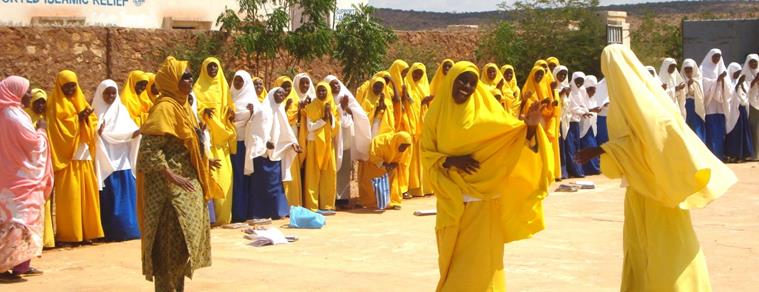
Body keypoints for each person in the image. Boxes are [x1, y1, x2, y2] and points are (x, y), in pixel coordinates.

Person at [577, 44, 737, 292]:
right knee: (641, 248)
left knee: (664, 249)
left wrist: (602, 150)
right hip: (640, 192)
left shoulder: (651, 108)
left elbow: (652, 139)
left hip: (659, 194)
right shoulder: (631, 103)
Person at [422, 61, 551, 291]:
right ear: (450, 80)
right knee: (452, 265)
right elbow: (427, 154)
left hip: (484, 205)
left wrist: (530, 127)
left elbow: (514, 137)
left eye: (472, 83)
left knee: (482, 270)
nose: (466, 86)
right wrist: (450, 160)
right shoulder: (435, 116)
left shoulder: (488, 115)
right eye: (462, 80)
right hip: (451, 204)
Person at [138, 56, 220, 291]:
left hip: (185, 189)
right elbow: (148, 151)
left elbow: (187, 144)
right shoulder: (164, 108)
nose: (190, 79)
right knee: (167, 253)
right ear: (172, 80)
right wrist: (171, 176)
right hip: (168, 197)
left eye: (190, 74)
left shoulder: (182, 105)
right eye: (185, 76)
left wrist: (205, 159)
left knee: (180, 253)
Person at [0, 76, 53, 283]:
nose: (30, 95)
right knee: (19, 222)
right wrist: (42, 130)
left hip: (10, 180)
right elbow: (32, 145)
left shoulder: (7, 114)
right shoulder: (13, 116)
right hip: (20, 181)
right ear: (16, 92)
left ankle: (20, 264)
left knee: (13, 221)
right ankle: (5, 267)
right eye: (26, 91)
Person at [47, 70, 104, 244]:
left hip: (84, 155)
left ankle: (88, 233)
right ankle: (70, 235)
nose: (71, 89)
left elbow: (93, 122)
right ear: (60, 86)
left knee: (87, 196)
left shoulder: (81, 101)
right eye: (67, 86)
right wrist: (77, 119)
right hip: (67, 158)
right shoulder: (54, 104)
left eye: (73, 85)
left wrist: (90, 122)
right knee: (71, 198)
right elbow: (57, 130)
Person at [92, 80, 141, 241]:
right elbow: (92, 134)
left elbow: (132, 131)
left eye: (113, 93)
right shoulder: (95, 113)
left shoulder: (122, 111)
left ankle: (129, 231)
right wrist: (97, 132)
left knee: (126, 199)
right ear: (101, 94)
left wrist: (136, 133)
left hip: (123, 161)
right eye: (107, 93)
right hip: (106, 162)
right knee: (110, 198)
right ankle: (111, 233)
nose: (111, 96)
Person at [194, 57, 236, 225]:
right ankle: (211, 219)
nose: (213, 69)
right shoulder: (197, 88)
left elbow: (229, 107)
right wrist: (203, 112)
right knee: (210, 176)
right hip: (208, 139)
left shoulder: (223, 86)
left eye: (215, 66)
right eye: (210, 67)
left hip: (222, 141)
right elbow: (193, 108)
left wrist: (230, 114)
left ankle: (224, 217)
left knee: (225, 178)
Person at [251, 87, 302, 219]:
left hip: (276, 153)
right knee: (263, 185)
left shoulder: (280, 111)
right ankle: (262, 212)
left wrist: (293, 144)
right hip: (263, 154)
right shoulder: (262, 111)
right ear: (272, 94)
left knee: (276, 185)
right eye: (278, 93)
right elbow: (255, 132)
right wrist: (265, 142)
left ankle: (278, 211)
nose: (281, 95)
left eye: (283, 94)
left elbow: (286, 131)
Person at [325, 75, 371, 206]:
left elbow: (357, 114)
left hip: (346, 137)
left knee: (345, 167)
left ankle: (343, 198)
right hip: (333, 138)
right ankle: (331, 197)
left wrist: (345, 107)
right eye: (333, 85)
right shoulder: (326, 99)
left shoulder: (346, 97)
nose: (336, 86)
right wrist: (340, 108)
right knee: (333, 168)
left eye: (337, 84)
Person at [229, 70, 266, 223]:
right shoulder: (228, 98)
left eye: (241, 81)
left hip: (247, 144)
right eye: (236, 81)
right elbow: (226, 119)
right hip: (231, 143)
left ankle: (247, 212)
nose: (238, 84)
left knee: (247, 179)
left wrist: (250, 114)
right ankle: (237, 213)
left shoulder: (253, 101)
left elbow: (260, 120)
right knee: (236, 179)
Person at [358, 77, 399, 208]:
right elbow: (363, 119)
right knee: (369, 168)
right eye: (375, 86)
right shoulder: (367, 100)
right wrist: (376, 109)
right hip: (370, 134)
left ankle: (388, 199)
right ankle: (369, 199)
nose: (378, 89)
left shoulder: (387, 100)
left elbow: (391, 117)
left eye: (380, 87)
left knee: (386, 167)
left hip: (384, 136)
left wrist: (383, 107)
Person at [23, 88, 54, 248]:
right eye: (38, 102)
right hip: (30, 169)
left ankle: (46, 239)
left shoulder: (45, 117)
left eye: (43, 102)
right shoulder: (25, 118)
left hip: (44, 167)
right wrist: (39, 129)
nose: (41, 105)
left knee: (45, 202)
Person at [304, 82, 340, 212]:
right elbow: (310, 127)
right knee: (312, 175)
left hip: (327, 145)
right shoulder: (311, 107)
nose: (321, 94)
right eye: (319, 91)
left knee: (328, 174)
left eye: (324, 91)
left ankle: (328, 205)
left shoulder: (333, 107)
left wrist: (329, 114)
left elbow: (334, 127)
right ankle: (312, 206)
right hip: (314, 143)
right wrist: (323, 119)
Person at [360, 131, 412, 209]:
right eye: (403, 146)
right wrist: (384, 164)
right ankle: (372, 203)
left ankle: (392, 202)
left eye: (406, 146)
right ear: (398, 141)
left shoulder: (404, 147)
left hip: (389, 166)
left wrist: (394, 164)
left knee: (393, 181)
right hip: (373, 165)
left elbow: (399, 160)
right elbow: (373, 155)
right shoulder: (380, 142)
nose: (404, 148)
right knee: (372, 186)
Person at [275, 75, 306, 207]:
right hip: (280, 140)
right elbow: (278, 120)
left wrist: (299, 109)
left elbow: (299, 121)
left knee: (292, 169)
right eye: (284, 87)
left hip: (293, 137)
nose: (287, 89)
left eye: (288, 86)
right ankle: (283, 204)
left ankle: (294, 202)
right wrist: (286, 108)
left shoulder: (296, 101)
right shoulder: (275, 102)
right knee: (282, 169)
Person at [403, 63, 431, 198]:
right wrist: (421, 103)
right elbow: (408, 102)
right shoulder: (406, 85)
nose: (417, 76)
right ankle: (408, 188)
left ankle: (423, 188)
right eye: (416, 73)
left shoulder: (425, 86)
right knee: (411, 159)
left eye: (420, 73)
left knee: (422, 158)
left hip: (423, 125)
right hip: (410, 125)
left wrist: (426, 102)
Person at [700, 49, 729, 160]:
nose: (717, 59)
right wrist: (717, 80)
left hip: (720, 105)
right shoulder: (703, 69)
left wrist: (723, 81)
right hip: (710, 105)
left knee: (720, 131)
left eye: (718, 57)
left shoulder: (722, 68)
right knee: (711, 130)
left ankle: (720, 154)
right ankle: (712, 155)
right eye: (715, 56)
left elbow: (729, 87)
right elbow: (703, 84)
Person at [724, 62, 754, 162]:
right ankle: (733, 155)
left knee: (743, 132)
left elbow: (745, 95)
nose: (738, 74)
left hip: (741, 110)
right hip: (733, 112)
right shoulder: (728, 81)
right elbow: (729, 95)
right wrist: (737, 84)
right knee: (734, 133)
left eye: (739, 72)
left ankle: (743, 155)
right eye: (736, 72)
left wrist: (740, 84)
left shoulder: (741, 81)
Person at [565, 71, 587, 178]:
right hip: (569, 122)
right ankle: (574, 170)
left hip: (576, 122)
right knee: (570, 147)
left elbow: (583, 105)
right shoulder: (570, 91)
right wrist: (583, 112)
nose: (579, 83)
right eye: (577, 80)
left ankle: (578, 170)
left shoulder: (580, 91)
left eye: (581, 81)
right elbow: (572, 107)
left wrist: (585, 111)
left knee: (577, 147)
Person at [579, 75, 601, 175]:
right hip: (583, 127)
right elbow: (580, 109)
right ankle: (592, 168)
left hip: (591, 127)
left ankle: (593, 168)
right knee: (589, 146)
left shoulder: (593, 98)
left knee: (592, 146)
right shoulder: (580, 96)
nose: (593, 92)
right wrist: (593, 110)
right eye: (591, 89)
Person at [681, 59, 707, 142]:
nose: (688, 72)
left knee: (697, 128)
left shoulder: (698, 80)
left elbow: (700, 94)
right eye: (686, 69)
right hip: (685, 106)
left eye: (690, 69)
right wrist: (687, 85)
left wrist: (692, 85)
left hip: (696, 107)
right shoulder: (680, 79)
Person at [553, 65, 571, 179]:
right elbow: (552, 101)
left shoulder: (566, 87)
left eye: (564, 75)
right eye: (560, 74)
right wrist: (560, 93)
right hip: (555, 120)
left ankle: (563, 171)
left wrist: (567, 94)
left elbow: (567, 104)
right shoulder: (552, 85)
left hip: (563, 120)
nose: (562, 77)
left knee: (562, 147)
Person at [743, 54, 759, 160]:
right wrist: (755, 80)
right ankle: (754, 154)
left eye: (755, 62)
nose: (753, 64)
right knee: (753, 129)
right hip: (751, 104)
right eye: (751, 62)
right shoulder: (744, 74)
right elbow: (745, 89)